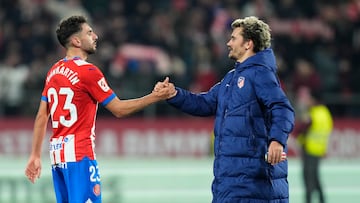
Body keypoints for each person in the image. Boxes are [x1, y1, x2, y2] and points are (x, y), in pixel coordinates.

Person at [24, 15, 173, 203]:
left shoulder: (54, 70)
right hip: (79, 155)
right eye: (89, 32)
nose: (95, 36)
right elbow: (119, 109)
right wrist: (155, 97)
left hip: (57, 157)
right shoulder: (88, 72)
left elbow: (41, 117)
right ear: (76, 41)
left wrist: (35, 156)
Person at [156, 16, 295, 202]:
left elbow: (282, 108)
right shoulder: (231, 78)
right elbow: (205, 103)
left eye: (233, 38)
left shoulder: (260, 73)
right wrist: (174, 94)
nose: (228, 43)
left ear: (248, 44)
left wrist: (276, 141)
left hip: (253, 183)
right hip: (230, 181)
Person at [294, 86, 333, 203]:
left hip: (309, 149)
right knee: (316, 179)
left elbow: (300, 129)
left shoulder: (313, 114)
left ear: (314, 100)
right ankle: (322, 200)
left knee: (308, 181)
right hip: (319, 149)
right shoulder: (325, 113)